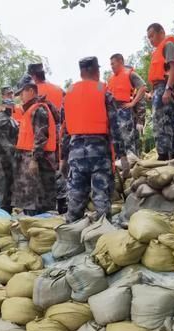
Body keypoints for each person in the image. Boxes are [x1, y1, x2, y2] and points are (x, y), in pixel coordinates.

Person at [60, 57, 128, 223]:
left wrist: (63, 158)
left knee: (75, 199)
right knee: (101, 199)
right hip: (99, 153)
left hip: (75, 153)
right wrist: (123, 156)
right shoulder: (104, 91)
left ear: (81, 72)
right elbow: (115, 126)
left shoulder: (69, 94)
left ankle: (71, 235)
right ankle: (103, 237)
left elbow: (64, 130)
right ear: (96, 71)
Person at [13, 74, 59, 215]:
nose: (20, 97)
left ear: (31, 91)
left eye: (22, 92)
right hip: (32, 161)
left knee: (38, 202)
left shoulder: (38, 110)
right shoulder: (31, 110)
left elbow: (40, 136)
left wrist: (34, 160)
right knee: (31, 202)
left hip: (39, 162)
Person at [146, 23, 174, 160]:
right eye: (148, 37)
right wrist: (152, 93)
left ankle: (164, 156)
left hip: (165, 87)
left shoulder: (168, 45)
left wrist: (167, 89)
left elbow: (173, 67)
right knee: (165, 122)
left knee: (162, 123)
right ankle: (172, 154)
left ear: (161, 32)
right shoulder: (158, 51)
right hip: (159, 88)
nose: (150, 40)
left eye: (152, 35)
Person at [108, 54, 147, 157]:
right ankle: (121, 167)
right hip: (113, 113)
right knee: (116, 142)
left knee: (128, 140)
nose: (111, 66)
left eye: (113, 63)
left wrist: (133, 103)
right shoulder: (111, 79)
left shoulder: (130, 74)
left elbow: (143, 87)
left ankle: (132, 165)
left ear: (121, 62)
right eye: (110, 64)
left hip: (124, 110)